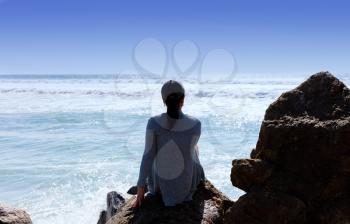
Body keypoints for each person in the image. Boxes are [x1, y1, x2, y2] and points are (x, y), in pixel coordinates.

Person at [132, 80, 205, 207]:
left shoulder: (153, 123)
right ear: (183, 100)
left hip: (160, 187)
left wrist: (140, 189)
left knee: (157, 151)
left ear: (163, 100)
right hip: (186, 188)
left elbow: (148, 157)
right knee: (194, 149)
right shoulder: (196, 124)